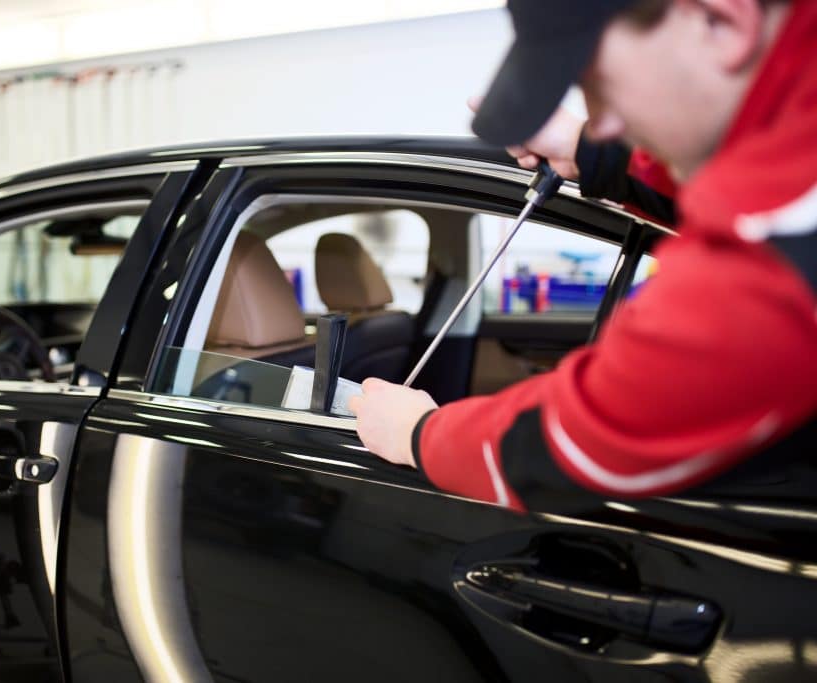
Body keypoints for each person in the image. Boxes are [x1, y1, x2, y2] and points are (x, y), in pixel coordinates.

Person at [348, 0, 817, 512]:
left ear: (720, 21)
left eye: (601, 83)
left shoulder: (783, 223)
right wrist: (585, 151)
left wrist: (416, 433)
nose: (605, 124)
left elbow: (590, 434)